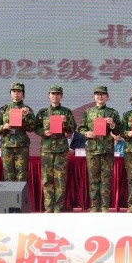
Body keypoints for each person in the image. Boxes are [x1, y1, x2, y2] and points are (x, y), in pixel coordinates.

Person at [78, 85, 122, 212]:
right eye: (97, 94)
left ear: (107, 96)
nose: (100, 96)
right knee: (93, 179)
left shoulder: (112, 112)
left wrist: (112, 124)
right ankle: (95, 205)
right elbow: (81, 128)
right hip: (92, 150)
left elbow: (119, 130)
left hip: (107, 149)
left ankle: (104, 206)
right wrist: (87, 133)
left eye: (103, 94)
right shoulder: (88, 112)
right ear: (93, 96)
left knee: (106, 179)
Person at [34, 85, 76, 213]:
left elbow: (72, 129)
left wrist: (65, 122)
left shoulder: (66, 112)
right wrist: (43, 132)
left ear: (61, 96)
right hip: (47, 148)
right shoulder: (43, 112)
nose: (55, 96)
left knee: (60, 178)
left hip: (61, 148)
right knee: (47, 178)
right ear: (49, 95)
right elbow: (35, 127)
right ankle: (48, 206)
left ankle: (58, 206)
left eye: (58, 94)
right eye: (53, 94)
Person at [0, 82, 35, 183]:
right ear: (10, 93)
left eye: (19, 91)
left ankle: (21, 194)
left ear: (23, 94)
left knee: (22, 174)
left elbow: (32, 127)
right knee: (8, 174)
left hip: (21, 144)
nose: (16, 93)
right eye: (14, 91)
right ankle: (10, 194)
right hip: (7, 144)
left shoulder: (27, 109)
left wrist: (27, 117)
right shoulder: (4, 109)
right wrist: (3, 127)